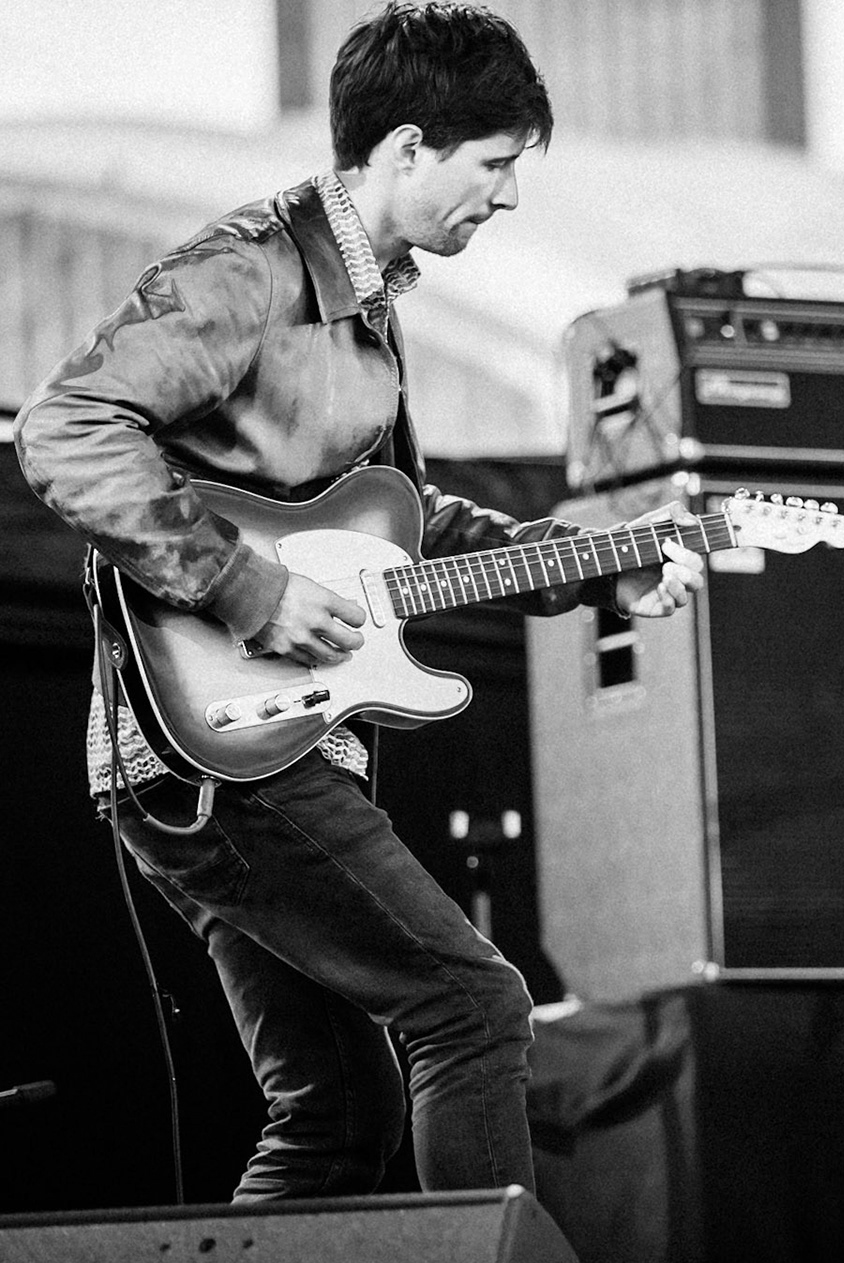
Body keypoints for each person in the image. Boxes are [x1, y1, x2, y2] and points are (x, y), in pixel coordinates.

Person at [14, 2, 704, 1201]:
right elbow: (67, 428)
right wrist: (245, 586)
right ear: (406, 148)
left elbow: (405, 525)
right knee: (474, 1005)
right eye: (495, 164)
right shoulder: (248, 269)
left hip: (266, 745)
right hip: (218, 755)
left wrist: (606, 561)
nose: (509, 198)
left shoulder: (369, 304)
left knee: (340, 1108)